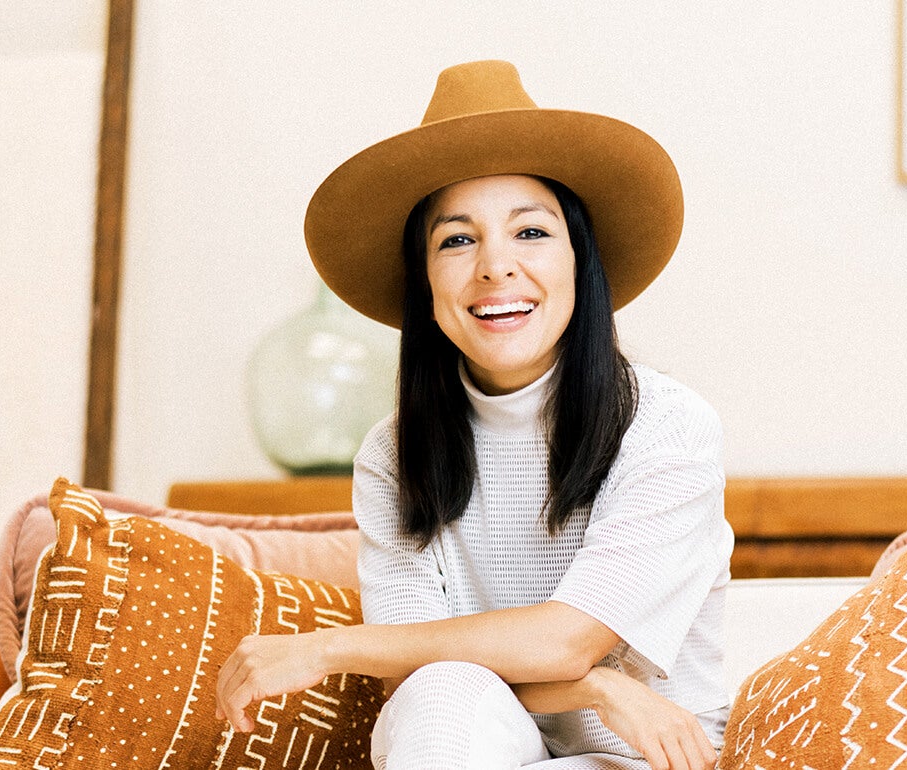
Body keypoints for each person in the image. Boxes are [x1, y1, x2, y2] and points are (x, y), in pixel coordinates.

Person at [215, 59, 734, 770]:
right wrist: (601, 688)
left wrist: (327, 649)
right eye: (457, 240)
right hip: (477, 740)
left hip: (643, 757)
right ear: (424, 280)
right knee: (442, 693)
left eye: (531, 233)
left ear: (580, 261)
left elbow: (566, 638)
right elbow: (419, 664)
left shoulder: (666, 426)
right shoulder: (392, 453)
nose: (495, 267)